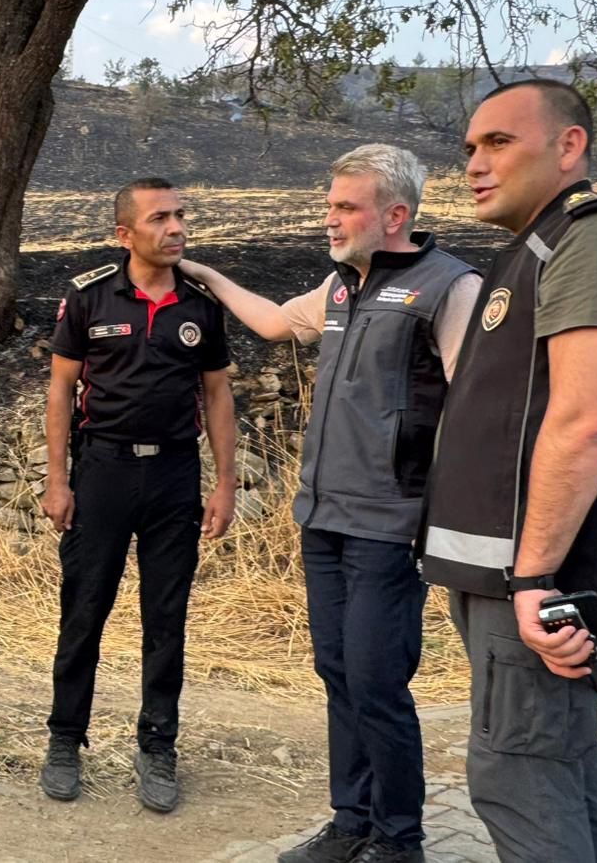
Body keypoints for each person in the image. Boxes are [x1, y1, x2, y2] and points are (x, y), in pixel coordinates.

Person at [420, 78, 597, 861]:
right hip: (526, 579)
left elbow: (588, 421)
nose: (475, 164)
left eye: (498, 142)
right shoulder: (537, 248)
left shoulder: (589, 239)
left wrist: (538, 580)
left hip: (532, 583)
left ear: (569, 145)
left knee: (519, 777)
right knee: (565, 772)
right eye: (470, 148)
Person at [184, 145, 478, 863]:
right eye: (330, 205)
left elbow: (480, 413)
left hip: (390, 523)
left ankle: (398, 841)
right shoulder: (342, 285)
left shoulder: (451, 288)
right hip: (323, 518)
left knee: (378, 683)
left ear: (395, 215)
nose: (330, 219)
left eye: (346, 207)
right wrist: (209, 277)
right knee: (338, 674)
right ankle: (350, 825)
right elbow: (278, 323)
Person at [38, 177, 238, 814]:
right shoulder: (89, 297)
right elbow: (60, 391)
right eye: (159, 218)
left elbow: (217, 395)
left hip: (174, 475)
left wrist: (225, 482)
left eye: (180, 215)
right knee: (84, 609)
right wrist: (58, 479)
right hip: (102, 471)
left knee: (166, 617)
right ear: (124, 234)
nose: (175, 228)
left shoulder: (200, 305)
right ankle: (65, 739)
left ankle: (157, 746)